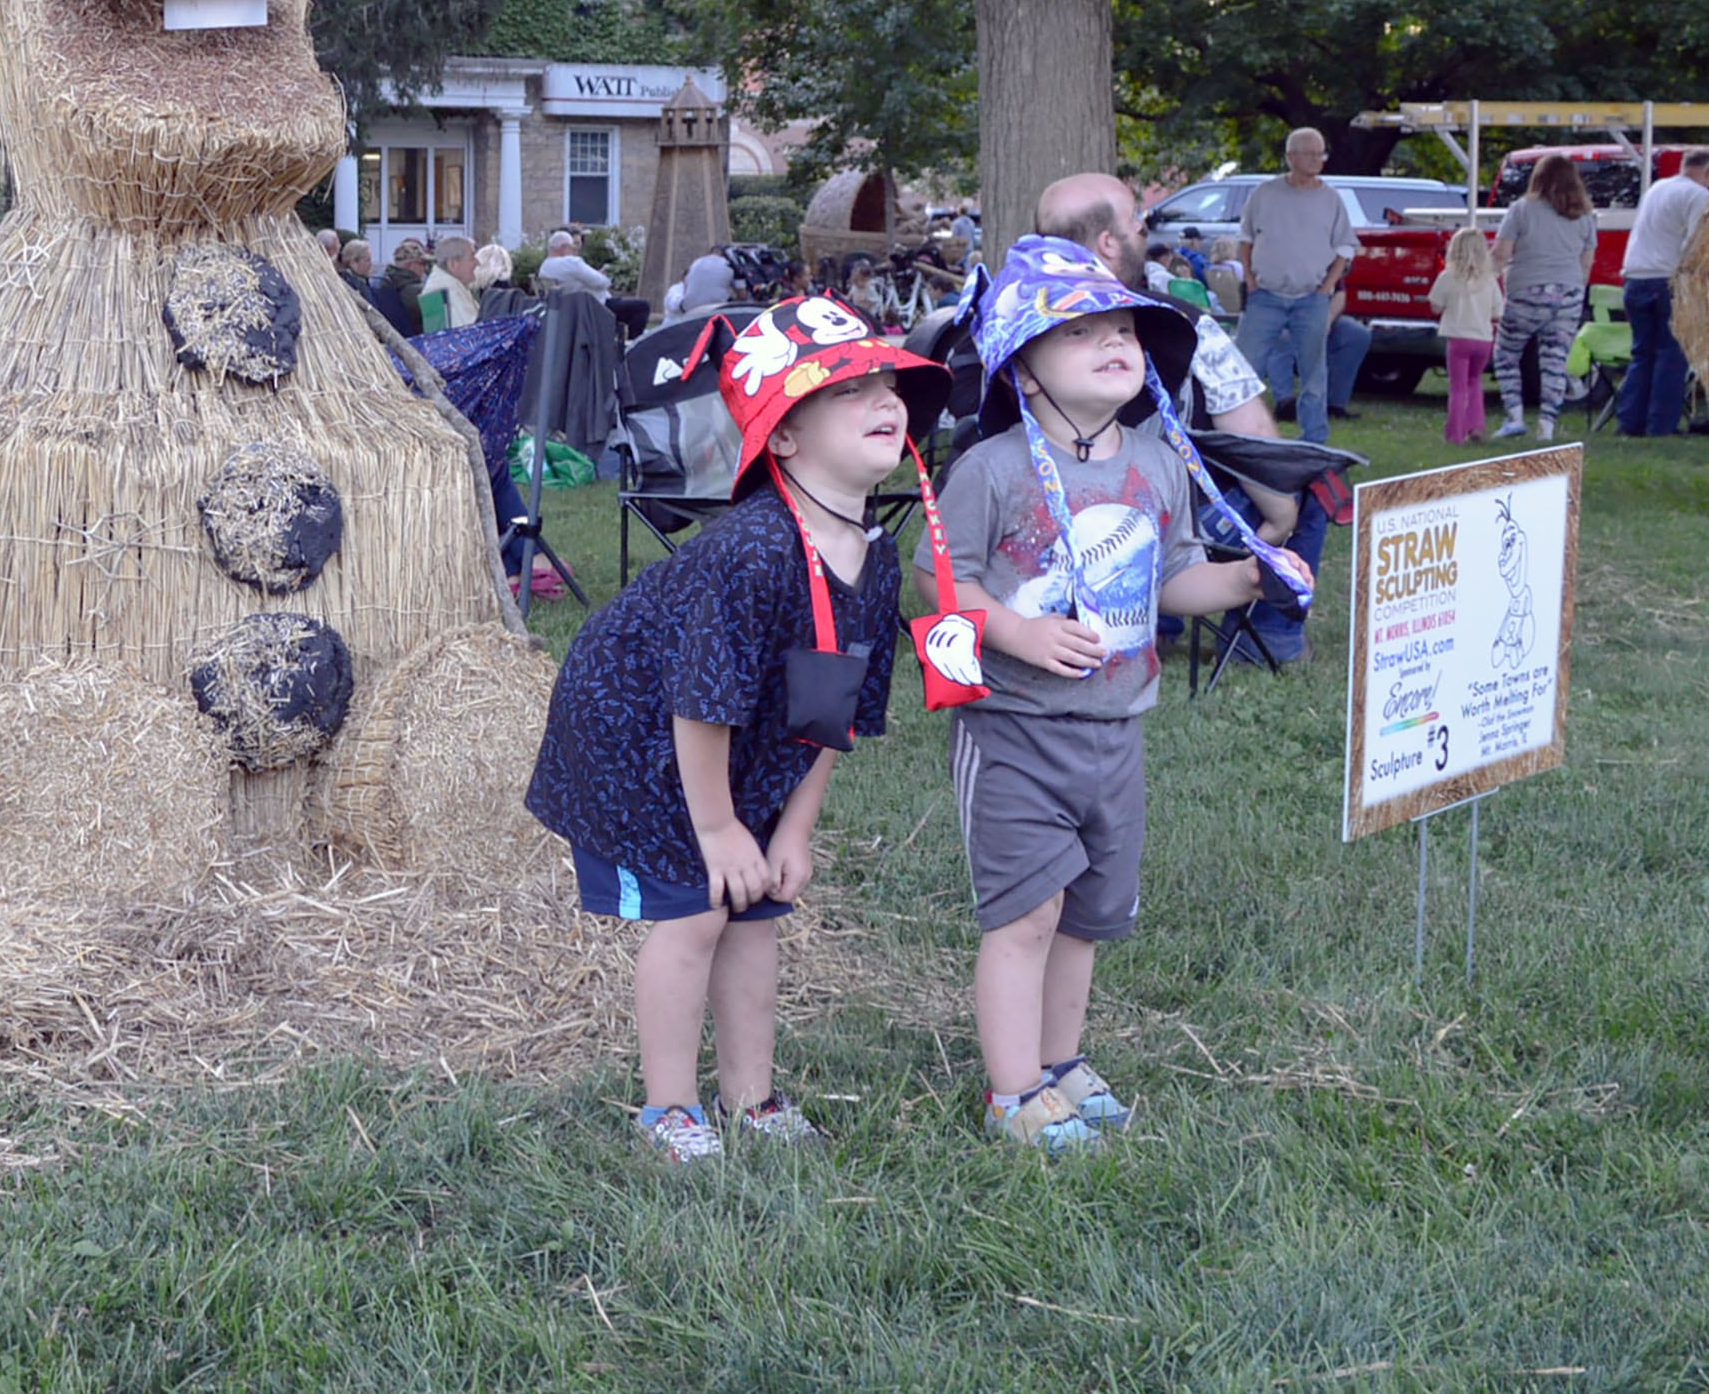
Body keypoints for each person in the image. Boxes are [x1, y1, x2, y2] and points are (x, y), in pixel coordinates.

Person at [526, 298, 949, 1161]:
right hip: (638, 738)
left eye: (885, 381)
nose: (882, 398)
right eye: (845, 389)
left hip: (744, 745)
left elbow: (838, 710)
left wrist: (793, 827)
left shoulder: (875, 552)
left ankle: (750, 1099)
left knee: (756, 911)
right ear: (783, 439)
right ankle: (669, 1110)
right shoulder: (751, 551)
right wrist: (719, 830)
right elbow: (697, 702)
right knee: (694, 912)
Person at [918, 239, 1283, 1150]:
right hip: (1014, 727)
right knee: (1025, 910)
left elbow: (1176, 579)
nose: (1114, 341)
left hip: (1116, 729)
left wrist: (1244, 583)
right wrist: (1019, 632)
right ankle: (1011, 1092)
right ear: (1024, 369)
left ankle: (1060, 1061)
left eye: (1122, 327)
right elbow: (941, 580)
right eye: (1080, 331)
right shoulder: (993, 469)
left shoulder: (1158, 463)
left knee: (1085, 911)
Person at [1036, 174, 1311, 658]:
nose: (1145, 229)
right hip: (1158, 526)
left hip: (1036, 528)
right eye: (1135, 222)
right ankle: (1273, 636)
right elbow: (1258, 443)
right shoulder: (1182, 324)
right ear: (1108, 242)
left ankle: (1159, 618)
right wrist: (1279, 517)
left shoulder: (1004, 325)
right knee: (1312, 489)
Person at [1233, 129, 1357, 443]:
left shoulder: (1330, 198)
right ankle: (1238, 433)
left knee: (1314, 371)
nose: (1318, 160)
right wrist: (1250, 280)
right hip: (1266, 296)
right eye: (1310, 153)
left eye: (1320, 153)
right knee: (1246, 369)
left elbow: (1345, 247)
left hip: (1311, 298)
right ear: (1291, 157)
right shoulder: (1265, 193)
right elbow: (1245, 240)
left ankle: (1314, 440)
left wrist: (1327, 287)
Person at [1490, 156, 1598, 441]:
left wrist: (1483, 280)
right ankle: (1546, 427)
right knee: (1554, 361)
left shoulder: (1522, 210)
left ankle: (1515, 416)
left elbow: (1501, 254)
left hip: (1526, 289)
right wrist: (1574, 292)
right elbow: (1586, 262)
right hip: (1569, 293)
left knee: (1506, 354)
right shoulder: (1585, 215)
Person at [1617, 148, 1709, 438]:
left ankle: (1630, 422)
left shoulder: (1658, 188)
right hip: (1668, 281)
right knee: (1671, 355)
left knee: (1642, 354)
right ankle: (1660, 426)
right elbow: (1695, 244)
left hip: (1635, 277)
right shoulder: (1698, 196)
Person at [1429, 225, 1502, 446]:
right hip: (1483, 339)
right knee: (1474, 381)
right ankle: (1476, 425)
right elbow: (1497, 311)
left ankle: (1456, 433)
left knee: (1458, 386)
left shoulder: (1448, 277)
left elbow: (1435, 306)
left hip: (1458, 337)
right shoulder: (1489, 280)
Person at [418, 234, 481, 332]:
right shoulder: (448, 291)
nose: (478, 263)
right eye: (472, 257)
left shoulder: (445, 284)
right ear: (453, 264)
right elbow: (473, 334)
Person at [371, 238, 428, 338]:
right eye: (422, 263)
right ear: (410, 265)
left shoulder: (385, 280)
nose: (425, 268)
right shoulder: (415, 291)